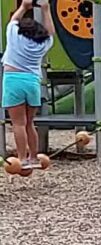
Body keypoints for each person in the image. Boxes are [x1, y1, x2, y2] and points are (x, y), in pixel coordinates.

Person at [2, 0, 54, 169]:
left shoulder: (14, 35)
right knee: (30, 123)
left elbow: (13, 21)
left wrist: (24, 7)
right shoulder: (43, 44)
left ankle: (22, 159)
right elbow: (50, 32)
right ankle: (33, 157)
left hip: (13, 80)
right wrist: (46, 9)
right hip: (33, 82)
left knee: (18, 123)